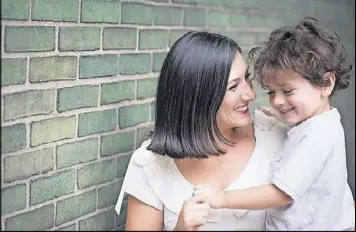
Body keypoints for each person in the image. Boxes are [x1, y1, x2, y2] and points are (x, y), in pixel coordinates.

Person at [114, 31, 289, 230]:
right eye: (233, 87)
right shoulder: (151, 164)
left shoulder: (274, 140)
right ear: (199, 97)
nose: (250, 94)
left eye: (246, 78)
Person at [193, 17, 355, 230]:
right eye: (271, 92)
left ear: (326, 83)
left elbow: (281, 194)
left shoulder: (317, 136)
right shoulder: (321, 124)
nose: (277, 100)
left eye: (287, 91)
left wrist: (221, 198)